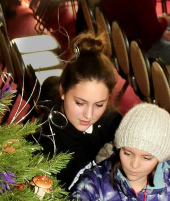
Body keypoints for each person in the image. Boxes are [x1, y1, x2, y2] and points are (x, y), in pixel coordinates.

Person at [33, 33, 121, 190]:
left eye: (99, 105)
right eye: (80, 103)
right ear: (63, 91)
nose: (88, 115)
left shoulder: (114, 122)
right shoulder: (43, 139)